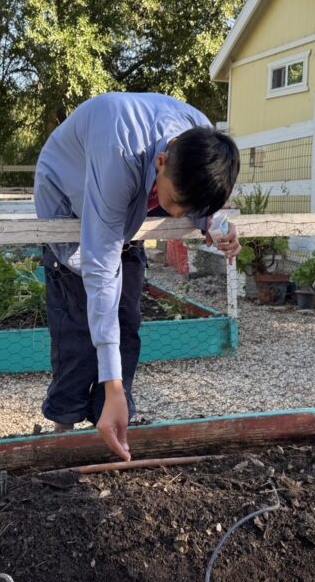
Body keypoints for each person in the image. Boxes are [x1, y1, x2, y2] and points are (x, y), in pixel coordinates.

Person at [35, 92, 241, 462]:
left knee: (126, 320)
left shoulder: (203, 142)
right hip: (70, 201)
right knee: (77, 329)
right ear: (161, 161)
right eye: (174, 203)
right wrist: (111, 384)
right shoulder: (119, 149)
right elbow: (100, 266)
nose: (176, 214)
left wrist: (213, 221)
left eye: (185, 209)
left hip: (128, 215)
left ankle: (111, 420)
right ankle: (61, 436)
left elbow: (198, 203)